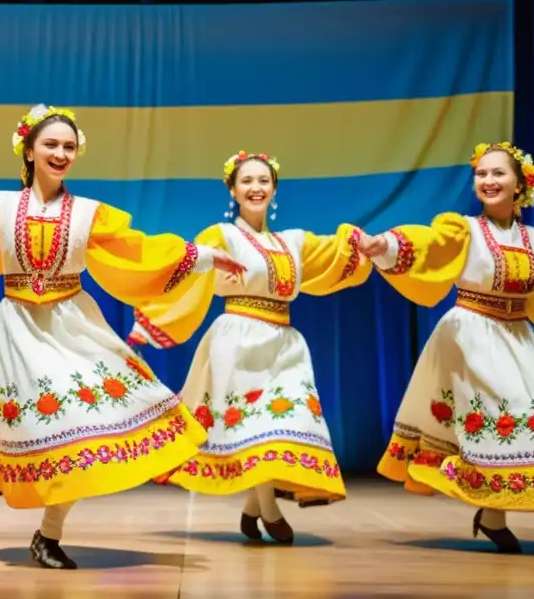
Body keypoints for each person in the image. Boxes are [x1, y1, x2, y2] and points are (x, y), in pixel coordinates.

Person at [0, 105, 247, 569]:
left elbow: (138, 251)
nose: (60, 153)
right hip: (18, 328)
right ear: (28, 150)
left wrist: (202, 257)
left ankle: (48, 534)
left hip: (72, 324)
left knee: (80, 423)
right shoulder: (0, 206)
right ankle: (48, 535)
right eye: (50, 144)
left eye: (68, 146)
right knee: (51, 425)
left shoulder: (90, 213)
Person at [127, 150, 371, 544]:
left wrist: (366, 243)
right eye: (247, 181)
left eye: (263, 181)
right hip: (238, 339)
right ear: (233, 190)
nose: (256, 188)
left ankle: (252, 509)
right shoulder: (221, 236)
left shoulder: (293, 242)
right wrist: (152, 321)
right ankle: (269, 511)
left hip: (285, 342)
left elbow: (336, 252)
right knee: (256, 425)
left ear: (274, 189)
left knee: (287, 422)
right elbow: (188, 271)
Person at [359, 141, 534, 553]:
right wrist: (387, 246)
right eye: (481, 174)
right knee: (501, 414)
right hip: (471, 336)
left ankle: (491, 514)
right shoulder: (463, 230)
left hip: (517, 336)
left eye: (498, 173)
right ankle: (492, 511)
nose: (487, 180)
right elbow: (430, 246)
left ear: (521, 183)